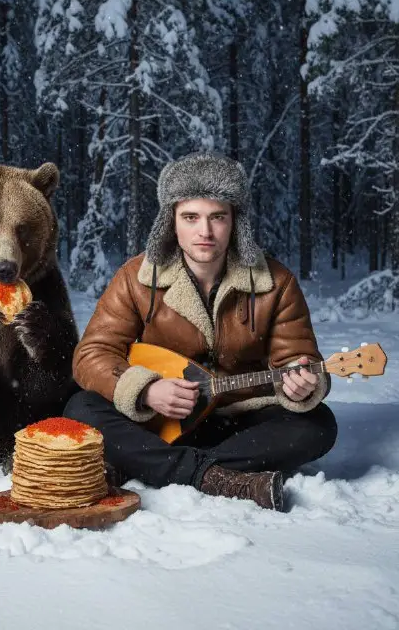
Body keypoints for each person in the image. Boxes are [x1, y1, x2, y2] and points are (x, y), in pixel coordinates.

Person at [64, 152, 338, 511]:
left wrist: (304, 384)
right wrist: (145, 389)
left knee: (318, 424)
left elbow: (298, 359)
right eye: (190, 217)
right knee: (79, 407)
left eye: (217, 217)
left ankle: (159, 465)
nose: (204, 232)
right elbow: (91, 354)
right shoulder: (136, 277)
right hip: (162, 419)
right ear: (171, 222)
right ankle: (216, 476)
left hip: (240, 419)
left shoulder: (276, 282)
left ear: (235, 222)